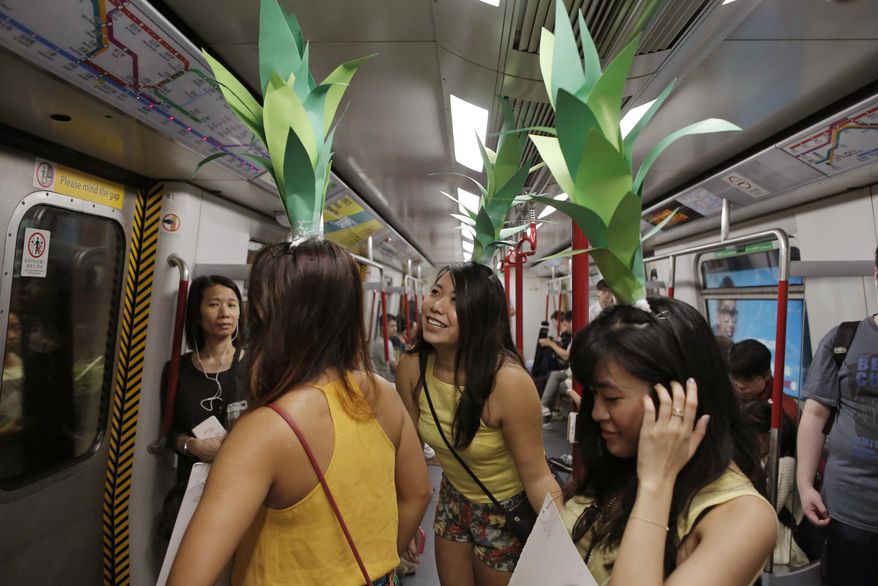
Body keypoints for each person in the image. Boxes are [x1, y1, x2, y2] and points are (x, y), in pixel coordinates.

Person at [168, 239, 432, 586]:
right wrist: (374, 567)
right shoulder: (381, 392)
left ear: (270, 315)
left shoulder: (263, 430)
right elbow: (418, 493)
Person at [562, 298, 775, 585]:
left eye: (612, 398)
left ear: (677, 398)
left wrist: (656, 484)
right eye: (594, 395)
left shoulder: (744, 517)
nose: (597, 413)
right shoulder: (624, 460)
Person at [396, 262, 562, 585]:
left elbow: (538, 476)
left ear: (481, 316)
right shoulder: (412, 367)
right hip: (453, 496)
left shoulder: (507, 383)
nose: (437, 306)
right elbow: (409, 454)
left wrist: (564, 545)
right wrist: (405, 515)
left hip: (505, 508)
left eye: (456, 301)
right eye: (435, 292)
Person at [796, 246, 878, 586]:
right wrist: (804, 483)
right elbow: (815, 414)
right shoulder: (844, 339)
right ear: (877, 277)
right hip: (848, 507)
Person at [160, 275, 249, 486]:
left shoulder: (257, 366)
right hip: (193, 483)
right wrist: (191, 446)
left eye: (232, 305)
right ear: (197, 315)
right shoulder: (177, 369)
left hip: (243, 480)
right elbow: (172, 432)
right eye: (214, 304)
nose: (225, 313)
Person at [741, 400, 808, 567]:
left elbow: (766, 511)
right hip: (767, 545)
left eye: (751, 435)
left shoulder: (785, 465)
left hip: (785, 552)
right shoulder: (762, 461)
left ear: (769, 436)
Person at [728, 338, 798, 421]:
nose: (740, 386)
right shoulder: (723, 391)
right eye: (734, 378)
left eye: (749, 379)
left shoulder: (785, 412)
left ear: (767, 375)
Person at [538, 311, 572, 425]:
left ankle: (544, 407)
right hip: (570, 369)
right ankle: (547, 410)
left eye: (566, 325)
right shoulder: (571, 336)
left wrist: (550, 344)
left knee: (552, 377)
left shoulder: (575, 335)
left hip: (573, 371)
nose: (564, 328)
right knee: (553, 376)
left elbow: (566, 356)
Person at [372, 314, 400, 382]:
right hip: (385, 380)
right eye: (392, 326)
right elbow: (394, 366)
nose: (395, 329)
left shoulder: (387, 341)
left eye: (395, 326)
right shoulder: (382, 343)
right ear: (383, 327)